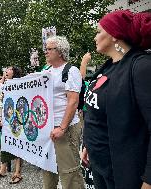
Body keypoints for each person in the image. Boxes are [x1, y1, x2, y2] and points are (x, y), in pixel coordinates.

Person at [81, 10, 151, 189]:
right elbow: (97, 112)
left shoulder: (141, 67)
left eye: (98, 31)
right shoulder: (107, 67)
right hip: (99, 165)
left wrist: (149, 179)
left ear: (113, 34)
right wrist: (88, 144)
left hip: (124, 172)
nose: (95, 37)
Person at [43, 36, 85, 189]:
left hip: (65, 129)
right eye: (45, 48)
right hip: (49, 129)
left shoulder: (71, 71)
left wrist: (62, 128)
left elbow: (73, 101)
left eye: (49, 49)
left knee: (69, 173)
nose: (45, 52)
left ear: (60, 51)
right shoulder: (46, 70)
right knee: (48, 169)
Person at [0, 66, 24, 184]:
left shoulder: (18, 85)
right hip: (5, 120)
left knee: (18, 145)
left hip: (16, 121)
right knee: (4, 144)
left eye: (9, 69)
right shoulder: (4, 86)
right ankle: (3, 169)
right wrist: (1, 118)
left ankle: (17, 173)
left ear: (14, 73)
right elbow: (2, 103)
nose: (5, 71)